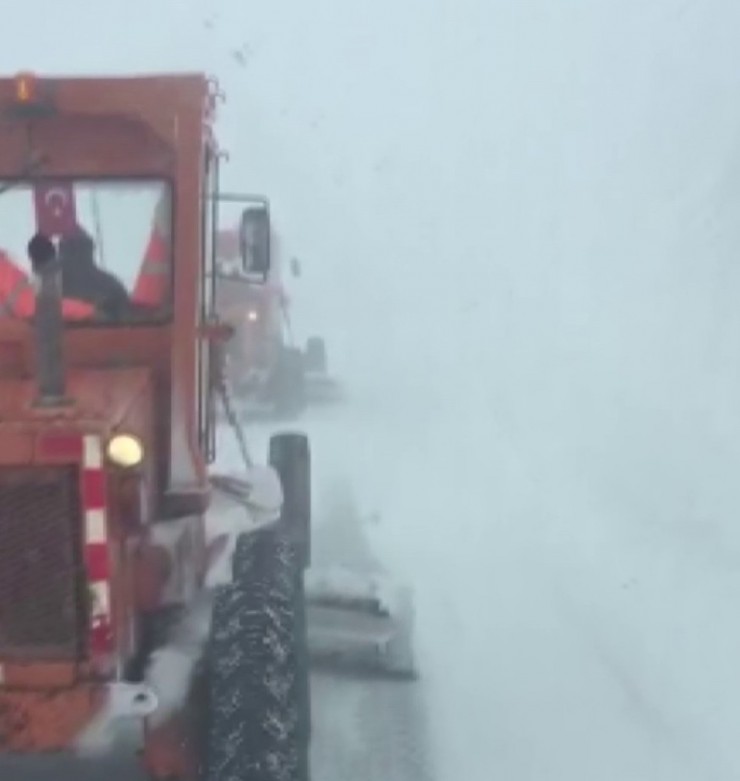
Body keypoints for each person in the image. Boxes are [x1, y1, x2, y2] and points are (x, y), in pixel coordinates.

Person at [58, 228, 130, 319]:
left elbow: (126, 324)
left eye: (77, 249)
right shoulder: (49, 287)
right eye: (70, 249)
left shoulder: (111, 287)